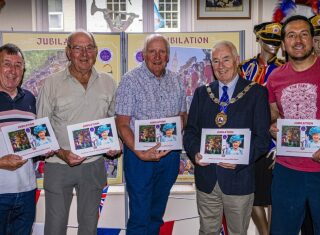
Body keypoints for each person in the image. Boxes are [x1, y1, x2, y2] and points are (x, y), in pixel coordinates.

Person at [183, 40, 271, 235]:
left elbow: (262, 139)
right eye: (215, 61)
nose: (220, 66)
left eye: (226, 59)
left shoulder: (256, 93)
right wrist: (196, 152)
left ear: (237, 60)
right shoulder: (202, 94)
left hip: (239, 178)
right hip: (207, 179)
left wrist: (240, 160)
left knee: (238, 232)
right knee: (207, 231)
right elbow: (190, 132)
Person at [36, 29, 119, 235]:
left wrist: (113, 144)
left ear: (96, 51)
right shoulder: (51, 83)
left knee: (89, 228)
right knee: (55, 228)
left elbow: (114, 122)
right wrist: (61, 153)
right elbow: (40, 129)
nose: (84, 53)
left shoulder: (108, 83)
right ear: (68, 52)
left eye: (89, 47)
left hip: (93, 166)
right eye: (77, 48)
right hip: (58, 165)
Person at [115, 34, 186, 235]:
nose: (157, 56)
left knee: (156, 214)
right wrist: (139, 151)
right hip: (140, 158)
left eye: (161, 51)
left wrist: (173, 131)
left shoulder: (177, 80)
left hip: (169, 156)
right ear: (144, 55)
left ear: (167, 55)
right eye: (152, 51)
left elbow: (183, 114)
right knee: (139, 216)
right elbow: (122, 123)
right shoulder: (130, 80)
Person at [267, 15, 320, 235]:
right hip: (287, 170)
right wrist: (272, 126)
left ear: (312, 39)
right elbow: (272, 115)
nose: (298, 40)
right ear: (283, 44)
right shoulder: (275, 78)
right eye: (291, 35)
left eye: (304, 34)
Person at [240, 22, 284, 235]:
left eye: (276, 42)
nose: (272, 46)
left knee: (276, 194)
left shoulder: (286, 68)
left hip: (276, 142)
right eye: (268, 41)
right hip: (249, 141)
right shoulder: (243, 68)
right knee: (252, 194)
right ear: (258, 40)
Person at [0, 43, 36, 235]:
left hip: (27, 190)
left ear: (23, 70)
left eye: (18, 65)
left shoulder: (30, 99)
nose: (12, 70)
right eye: (7, 64)